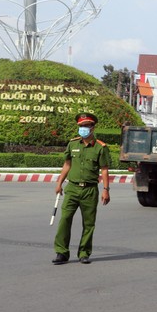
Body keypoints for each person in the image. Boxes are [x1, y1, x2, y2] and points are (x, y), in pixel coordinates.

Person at [52, 112, 110, 265]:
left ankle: (84, 253)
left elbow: (104, 169)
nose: (83, 128)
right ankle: (61, 253)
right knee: (65, 219)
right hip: (72, 188)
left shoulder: (100, 147)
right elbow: (67, 165)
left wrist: (106, 189)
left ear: (92, 127)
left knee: (89, 223)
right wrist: (59, 183)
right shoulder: (72, 144)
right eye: (81, 126)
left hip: (90, 190)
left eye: (86, 126)